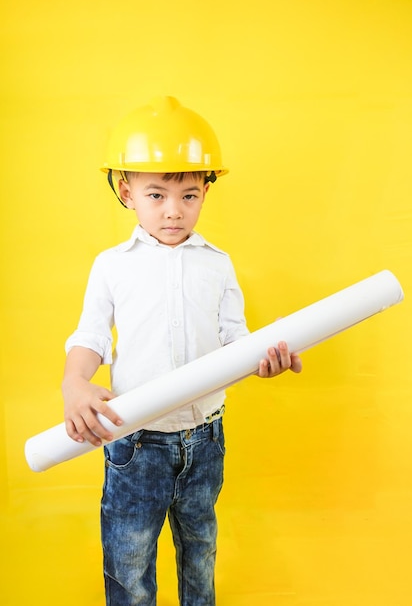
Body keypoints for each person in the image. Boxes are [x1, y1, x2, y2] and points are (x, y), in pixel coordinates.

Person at [62, 96, 302, 606]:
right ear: (126, 193)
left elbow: (237, 345)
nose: (174, 210)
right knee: (129, 564)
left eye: (189, 195)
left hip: (205, 440)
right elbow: (90, 337)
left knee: (200, 553)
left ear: (206, 190)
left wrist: (268, 355)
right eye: (156, 195)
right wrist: (75, 382)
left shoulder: (218, 264)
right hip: (135, 444)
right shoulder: (111, 266)